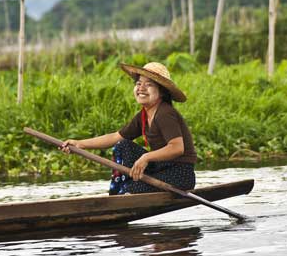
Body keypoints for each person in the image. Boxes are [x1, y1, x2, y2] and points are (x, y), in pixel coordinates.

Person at [61, 62, 197, 195]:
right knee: (123, 145)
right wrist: (80, 144)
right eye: (138, 84)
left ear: (162, 92)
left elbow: (177, 148)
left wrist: (146, 157)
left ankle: (125, 192)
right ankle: (120, 193)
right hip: (161, 168)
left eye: (149, 84)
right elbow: (115, 137)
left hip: (180, 174)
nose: (141, 88)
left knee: (130, 189)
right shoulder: (143, 115)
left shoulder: (165, 113)